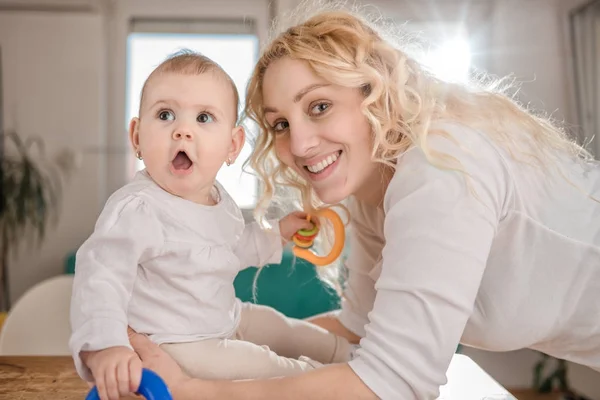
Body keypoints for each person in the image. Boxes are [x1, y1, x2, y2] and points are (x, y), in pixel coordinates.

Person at [125, 4, 600, 400]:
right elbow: (355, 334)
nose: (301, 143)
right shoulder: (377, 198)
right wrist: (211, 346)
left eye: (319, 106)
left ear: (374, 92)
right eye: (281, 124)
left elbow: (391, 383)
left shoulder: (441, 168)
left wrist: (191, 387)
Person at [69, 51, 355, 400]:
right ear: (137, 136)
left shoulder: (219, 199)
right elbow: (100, 277)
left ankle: (350, 355)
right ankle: (332, 384)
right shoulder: (137, 208)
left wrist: (278, 233)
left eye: (204, 117)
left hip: (226, 317)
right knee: (264, 366)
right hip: (179, 345)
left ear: (232, 146)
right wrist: (106, 346)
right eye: (165, 115)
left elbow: (233, 248)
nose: (183, 131)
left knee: (287, 330)